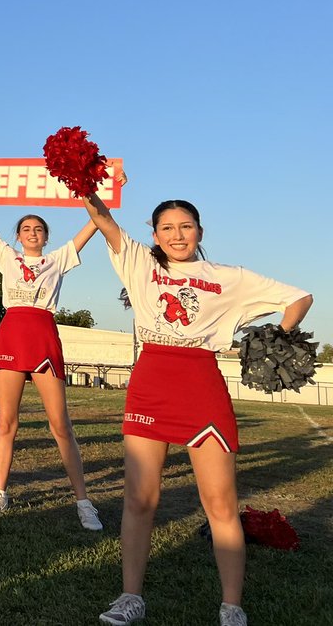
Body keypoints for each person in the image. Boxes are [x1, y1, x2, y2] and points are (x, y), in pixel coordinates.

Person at [82, 195, 312, 626]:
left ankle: (231, 607)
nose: (177, 235)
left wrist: (280, 335)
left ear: (200, 232)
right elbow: (100, 216)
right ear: (155, 236)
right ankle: (130, 597)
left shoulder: (229, 277)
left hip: (202, 386)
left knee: (220, 504)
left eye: (185, 226)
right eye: (167, 228)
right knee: (139, 500)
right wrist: (85, 183)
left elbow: (299, 297)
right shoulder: (138, 262)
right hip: (150, 384)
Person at [0, 194, 106, 532]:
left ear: (46, 236)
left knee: (60, 424)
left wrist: (102, 194)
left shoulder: (57, 259)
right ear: (17, 236)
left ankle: (84, 502)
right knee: (6, 422)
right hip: (12, 334)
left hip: (43, 336)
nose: (32, 233)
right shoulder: (6, 257)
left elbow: (96, 224)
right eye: (26, 228)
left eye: (38, 229)